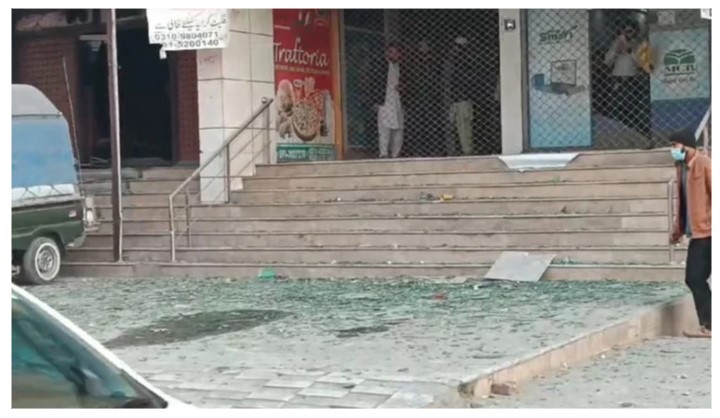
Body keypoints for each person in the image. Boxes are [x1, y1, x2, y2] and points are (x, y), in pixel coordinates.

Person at [669, 128, 712, 338]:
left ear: (687, 146)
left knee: (695, 277)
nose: (672, 150)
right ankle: (709, 323)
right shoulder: (682, 167)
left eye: (674, 145)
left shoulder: (704, 164)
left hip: (709, 232)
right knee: (694, 278)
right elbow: (684, 203)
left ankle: (710, 324)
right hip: (697, 233)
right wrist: (678, 229)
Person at [604, 21, 651, 145]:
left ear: (635, 32)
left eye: (629, 31)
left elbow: (642, 64)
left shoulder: (640, 44)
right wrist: (616, 50)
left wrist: (630, 50)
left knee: (633, 111)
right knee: (616, 110)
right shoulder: (616, 44)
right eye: (623, 32)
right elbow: (607, 61)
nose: (626, 35)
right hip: (617, 81)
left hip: (632, 81)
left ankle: (639, 138)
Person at [443, 36, 475, 156]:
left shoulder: (464, 63)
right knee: (459, 127)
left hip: (461, 99)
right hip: (456, 99)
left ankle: (465, 151)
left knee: (463, 127)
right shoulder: (454, 62)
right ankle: (458, 151)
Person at [377, 44, 404, 159]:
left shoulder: (401, 67)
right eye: (392, 52)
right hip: (385, 101)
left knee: (399, 129)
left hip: (397, 101)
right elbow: (374, 84)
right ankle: (383, 153)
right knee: (384, 128)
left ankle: (396, 153)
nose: (394, 55)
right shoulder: (380, 67)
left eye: (396, 52)